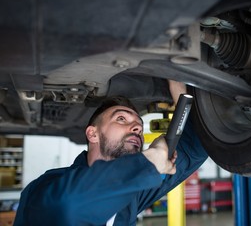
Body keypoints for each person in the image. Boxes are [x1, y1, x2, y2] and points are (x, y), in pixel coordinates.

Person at [14, 80, 208, 226]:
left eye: (139, 126)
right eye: (121, 119)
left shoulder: (133, 192)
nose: (136, 128)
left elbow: (196, 147)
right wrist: (149, 162)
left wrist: (177, 78)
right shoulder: (45, 187)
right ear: (93, 133)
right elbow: (68, 207)